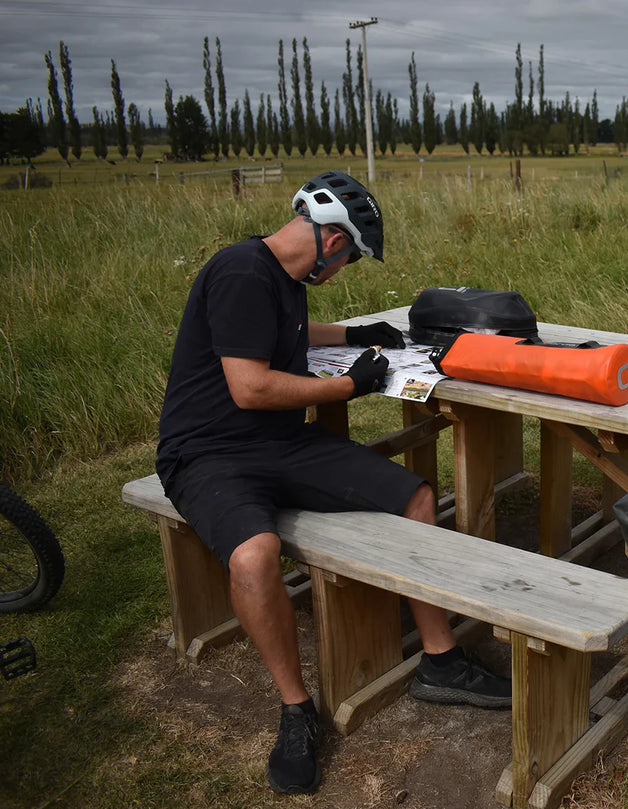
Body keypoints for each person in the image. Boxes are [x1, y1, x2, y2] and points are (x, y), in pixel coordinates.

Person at [155, 170, 510, 795]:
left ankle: (441, 659)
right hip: (209, 454)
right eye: (349, 259)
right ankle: (296, 710)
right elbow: (250, 386)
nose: (342, 270)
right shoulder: (240, 270)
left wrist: (355, 335)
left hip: (281, 444)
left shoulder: (281, 280)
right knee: (255, 553)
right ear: (332, 240)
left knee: (417, 497)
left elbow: (287, 337)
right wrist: (352, 384)